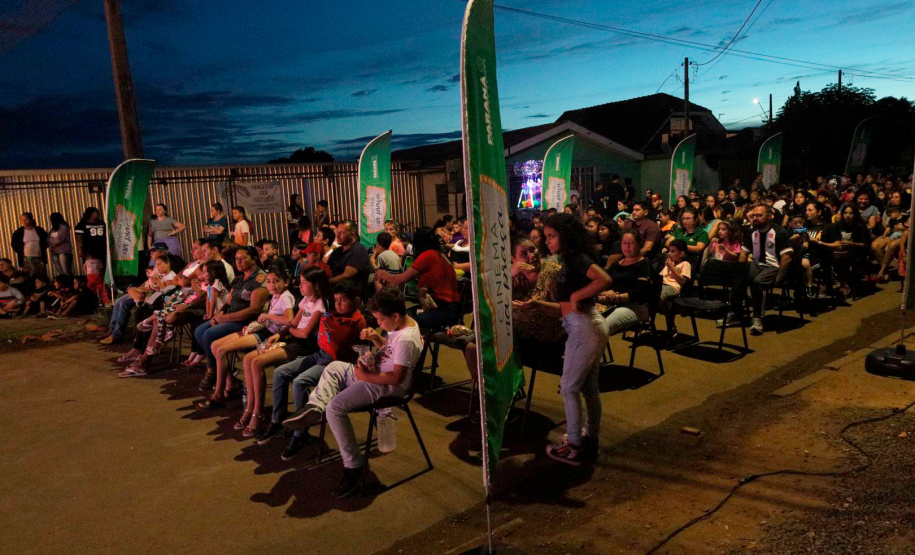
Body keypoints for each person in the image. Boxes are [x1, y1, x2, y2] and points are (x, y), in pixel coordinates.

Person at [282, 287, 423, 498]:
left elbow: (396, 378)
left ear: (395, 316)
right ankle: (315, 406)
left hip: (386, 386)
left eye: (381, 320)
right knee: (334, 367)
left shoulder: (406, 339)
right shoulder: (403, 323)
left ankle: (353, 465)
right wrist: (376, 338)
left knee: (334, 408)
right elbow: (390, 350)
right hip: (375, 375)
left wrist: (364, 376)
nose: (379, 324)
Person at [537, 214, 611, 466]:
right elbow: (564, 307)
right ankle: (589, 438)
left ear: (565, 236)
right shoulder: (570, 259)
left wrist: (577, 295)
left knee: (569, 388)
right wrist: (537, 304)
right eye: (546, 236)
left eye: (552, 236)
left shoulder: (576, 258)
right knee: (589, 388)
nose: (547, 241)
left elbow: (604, 279)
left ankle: (575, 446)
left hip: (584, 328)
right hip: (586, 326)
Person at [268, 280, 366, 459]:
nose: (338, 304)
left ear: (356, 301)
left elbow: (352, 351)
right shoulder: (330, 313)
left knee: (300, 381)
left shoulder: (357, 322)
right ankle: (277, 421)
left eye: (343, 300)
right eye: (336, 300)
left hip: (335, 364)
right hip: (319, 355)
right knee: (280, 372)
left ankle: (300, 434)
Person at [193, 247, 268, 400]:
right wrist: (217, 315)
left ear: (254, 259)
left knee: (209, 335)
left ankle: (212, 370)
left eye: (242, 258)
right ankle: (228, 377)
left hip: (246, 322)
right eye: (236, 259)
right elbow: (228, 303)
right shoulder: (239, 279)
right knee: (199, 331)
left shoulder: (260, 279)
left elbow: (254, 310)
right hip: (230, 317)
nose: (238, 262)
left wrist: (226, 318)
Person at [724, 204, 794, 335]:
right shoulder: (752, 232)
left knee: (758, 282)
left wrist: (780, 277)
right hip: (757, 265)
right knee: (738, 277)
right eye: (754, 215)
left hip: (774, 267)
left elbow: (786, 258)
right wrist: (740, 270)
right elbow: (743, 254)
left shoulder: (779, 232)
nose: (755, 218)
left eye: (759, 215)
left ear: (769, 216)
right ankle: (735, 313)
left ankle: (757, 318)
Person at [376, 227, 460, 331]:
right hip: (451, 308)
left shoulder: (429, 255)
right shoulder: (440, 254)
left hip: (444, 310)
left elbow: (400, 279)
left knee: (400, 322)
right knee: (402, 316)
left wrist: (383, 273)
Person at [100, 254, 177, 345]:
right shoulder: (162, 274)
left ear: (167, 263)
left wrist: (157, 282)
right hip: (148, 293)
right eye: (156, 265)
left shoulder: (171, 276)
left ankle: (117, 334)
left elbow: (165, 291)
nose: (157, 267)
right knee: (119, 300)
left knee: (124, 303)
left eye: (159, 264)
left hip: (154, 298)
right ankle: (112, 330)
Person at [181, 261, 231, 368]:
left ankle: (203, 354)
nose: (203, 275)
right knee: (196, 323)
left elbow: (213, 301)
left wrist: (210, 316)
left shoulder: (217, 283)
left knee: (201, 327)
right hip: (215, 314)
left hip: (223, 314)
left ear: (213, 272)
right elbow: (208, 300)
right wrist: (208, 315)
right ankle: (196, 352)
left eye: (205, 272)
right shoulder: (210, 284)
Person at [802, 202, 840, 297]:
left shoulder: (828, 227)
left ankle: (810, 288)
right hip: (806, 256)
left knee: (805, 267)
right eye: (806, 210)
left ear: (819, 212)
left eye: (810, 210)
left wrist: (819, 242)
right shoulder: (806, 227)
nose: (807, 212)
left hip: (821, 258)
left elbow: (838, 245)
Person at [832, 204, 870, 298]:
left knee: (839, 259)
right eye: (845, 213)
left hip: (857, 252)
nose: (847, 215)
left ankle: (845, 284)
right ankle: (843, 283)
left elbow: (865, 244)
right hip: (841, 250)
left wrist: (851, 244)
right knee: (831, 258)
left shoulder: (860, 226)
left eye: (850, 213)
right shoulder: (838, 225)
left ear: (855, 214)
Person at [658, 240, 691, 336]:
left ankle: (670, 325)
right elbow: (661, 276)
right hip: (661, 284)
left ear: (681, 254)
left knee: (659, 296)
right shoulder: (669, 263)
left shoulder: (685, 264)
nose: (669, 253)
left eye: (673, 251)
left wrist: (672, 268)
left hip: (673, 286)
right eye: (669, 251)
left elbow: (683, 281)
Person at [327, 221, 372, 286]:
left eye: (341, 233)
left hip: (351, 289)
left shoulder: (358, 250)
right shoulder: (337, 251)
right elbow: (327, 268)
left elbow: (346, 276)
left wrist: (325, 282)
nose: (337, 235)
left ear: (352, 235)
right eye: (337, 232)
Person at [11, 212, 48, 276]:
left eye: (26, 219)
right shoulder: (19, 232)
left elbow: (46, 240)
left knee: (41, 275)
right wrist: (20, 251)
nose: (24, 222)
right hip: (27, 259)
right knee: (29, 276)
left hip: (39, 258)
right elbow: (14, 244)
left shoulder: (39, 230)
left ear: (31, 220)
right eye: (22, 220)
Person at [75, 207, 106, 271]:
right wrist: (81, 250)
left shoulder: (101, 223)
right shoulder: (82, 224)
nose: (98, 214)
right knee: (92, 269)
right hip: (89, 250)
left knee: (103, 268)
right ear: (90, 213)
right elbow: (79, 239)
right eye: (96, 212)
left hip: (102, 249)